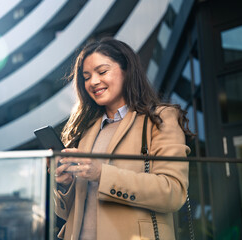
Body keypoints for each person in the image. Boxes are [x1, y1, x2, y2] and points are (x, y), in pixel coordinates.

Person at [52, 37, 193, 240]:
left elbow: (173, 192)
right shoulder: (85, 130)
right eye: (86, 76)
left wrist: (102, 174)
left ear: (127, 71)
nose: (93, 82)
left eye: (102, 72)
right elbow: (68, 214)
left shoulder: (160, 119)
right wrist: (64, 185)